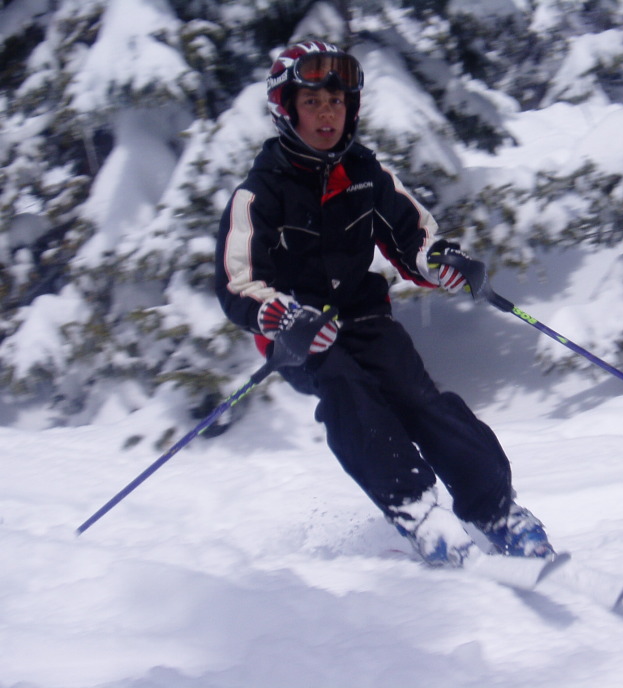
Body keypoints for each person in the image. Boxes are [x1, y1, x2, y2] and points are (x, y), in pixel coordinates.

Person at [215, 40, 553, 567]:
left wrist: (442, 260)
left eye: (336, 102)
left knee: (419, 398)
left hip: (364, 315)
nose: (327, 115)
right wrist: (281, 316)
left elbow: (412, 237)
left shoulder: (366, 173)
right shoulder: (260, 193)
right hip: (300, 332)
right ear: (287, 110)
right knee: (348, 391)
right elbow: (239, 281)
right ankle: (418, 512)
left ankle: (497, 511)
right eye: (312, 103)